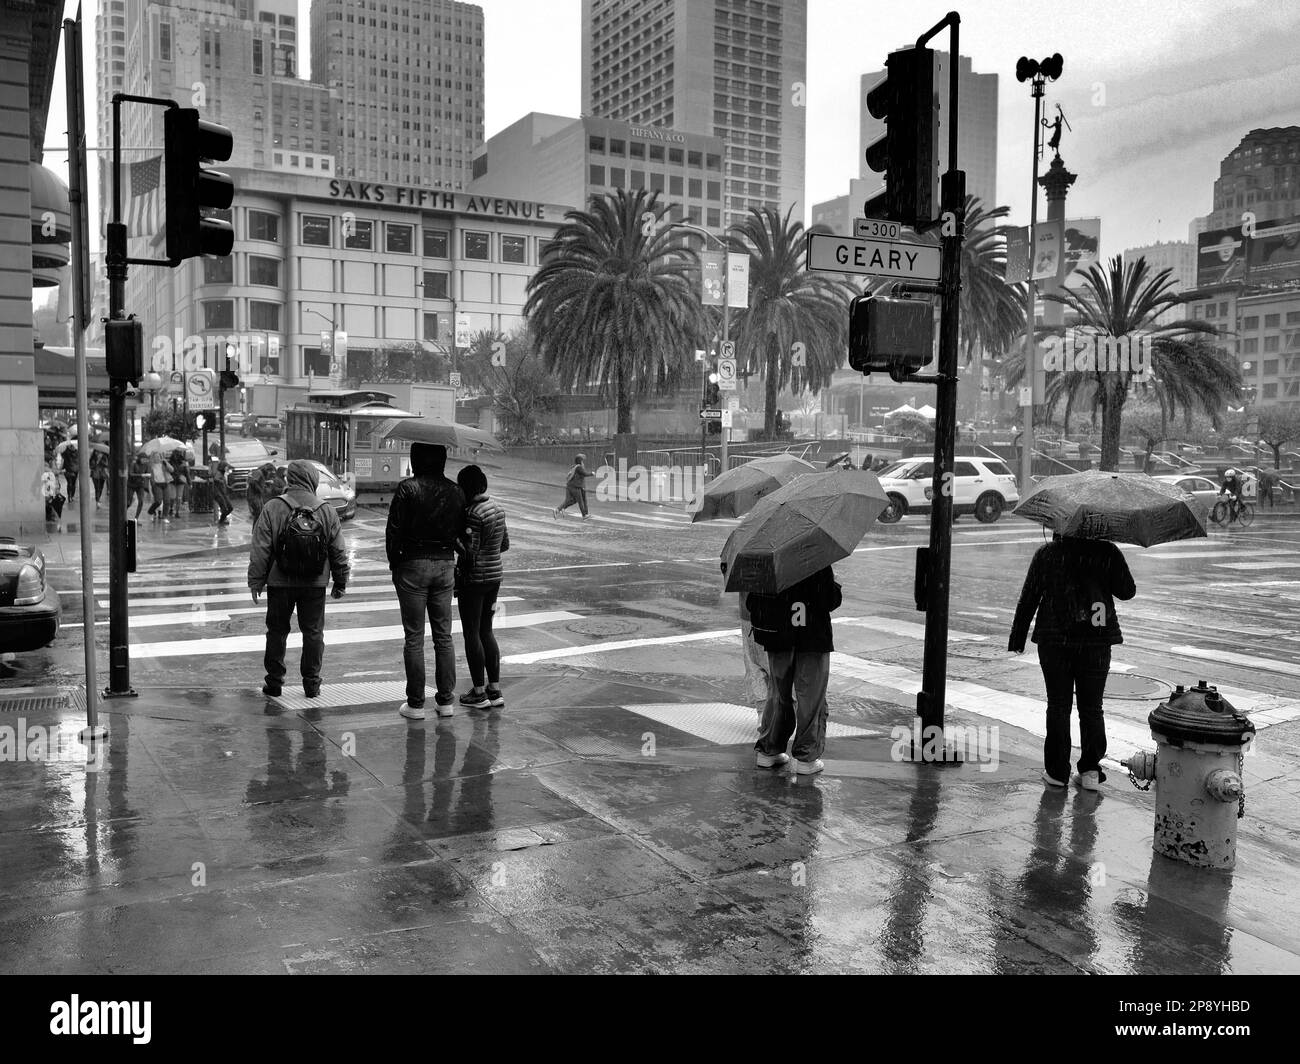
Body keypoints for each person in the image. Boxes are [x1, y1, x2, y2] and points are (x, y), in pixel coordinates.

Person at [1008, 532, 1136, 791]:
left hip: (1056, 641)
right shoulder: (1107, 552)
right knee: (1092, 707)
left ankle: (1056, 771)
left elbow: (1029, 596)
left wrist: (1017, 638)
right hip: (1096, 641)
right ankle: (1090, 770)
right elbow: (1127, 591)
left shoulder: (1048, 554)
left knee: (1058, 705)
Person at [247, 460, 349, 698]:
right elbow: (338, 551)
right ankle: (312, 683)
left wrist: (256, 580)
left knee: (276, 631)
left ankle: (274, 682)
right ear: (312, 479)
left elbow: (260, 547)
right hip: (314, 584)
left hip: (279, 582)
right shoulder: (325, 510)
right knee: (313, 633)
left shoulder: (273, 507)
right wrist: (340, 581)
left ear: (290, 479)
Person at [387, 442, 468, 721]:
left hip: (412, 563)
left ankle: (416, 703)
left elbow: (393, 531)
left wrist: (395, 563)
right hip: (445, 564)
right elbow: (461, 531)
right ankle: (446, 701)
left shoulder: (408, 489)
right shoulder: (456, 491)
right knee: (443, 636)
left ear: (416, 459)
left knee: (414, 637)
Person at [746, 565, 843, 776]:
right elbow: (829, 599)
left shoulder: (771, 559)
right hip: (812, 637)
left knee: (778, 693)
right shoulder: (815, 558)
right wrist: (834, 585)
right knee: (811, 697)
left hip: (778, 635)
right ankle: (807, 757)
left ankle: (768, 750)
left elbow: (752, 601)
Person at [454, 464, 509, 710]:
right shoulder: (497, 508)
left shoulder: (474, 514)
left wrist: (454, 540)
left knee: (471, 632)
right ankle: (494, 689)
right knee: (486, 630)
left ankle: (478, 693)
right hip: (494, 578)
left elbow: (470, 552)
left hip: (474, 580)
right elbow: (504, 544)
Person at [555, 453, 595, 520]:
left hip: (569, 485)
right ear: (580, 461)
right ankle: (584, 515)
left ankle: (559, 509)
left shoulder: (574, 466)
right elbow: (584, 474)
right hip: (576, 487)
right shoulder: (579, 467)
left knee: (570, 500)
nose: (583, 462)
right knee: (580, 501)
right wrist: (592, 473)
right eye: (582, 461)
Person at [208, 443, 233, 525]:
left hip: (223, 494)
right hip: (218, 494)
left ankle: (222, 520)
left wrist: (228, 487)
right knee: (226, 509)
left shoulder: (222, 474)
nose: (227, 469)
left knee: (229, 508)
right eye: (226, 467)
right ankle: (221, 521)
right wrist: (221, 482)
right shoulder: (219, 473)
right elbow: (216, 479)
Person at [147, 449, 170, 521]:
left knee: (167, 501)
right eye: (155, 457)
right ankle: (151, 511)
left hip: (165, 484)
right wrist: (153, 484)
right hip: (157, 485)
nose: (157, 458)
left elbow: (172, 470)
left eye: (158, 456)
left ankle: (165, 517)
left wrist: (166, 462)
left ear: (160, 457)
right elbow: (149, 474)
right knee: (158, 501)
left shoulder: (163, 464)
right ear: (153, 458)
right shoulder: (151, 466)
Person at [167, 448, 189, 518]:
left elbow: (186, 472)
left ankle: (177, 512)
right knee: (172, 497)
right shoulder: (170, 461)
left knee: (179, 497)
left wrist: (189, 482)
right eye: (176, 453)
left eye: (179, 453)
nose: (177, 455)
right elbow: (169, 471)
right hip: (172, 481)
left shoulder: (183, 462)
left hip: (180, 481)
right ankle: (171, 508)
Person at [129, 452, 152, 519]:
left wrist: (148, 474)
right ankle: (122, 515)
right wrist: (141, 475)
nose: (144, 461)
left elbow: (148, 473)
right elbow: (131, 474)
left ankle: (136, 518)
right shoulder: (133, 464)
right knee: (128, 502)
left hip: (140, 485)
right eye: (143, 459)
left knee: (141, 501)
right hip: (131, 484)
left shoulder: (146, 465)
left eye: (145, 459)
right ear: (139, 458)